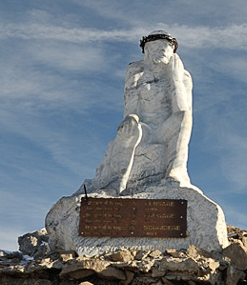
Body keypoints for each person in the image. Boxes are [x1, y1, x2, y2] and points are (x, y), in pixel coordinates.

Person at [81, 32, 193, 196]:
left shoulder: (183, 76)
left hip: (165, 129)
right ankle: (117, 181)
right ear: (147, 51)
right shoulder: (136, 71)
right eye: (156, 47)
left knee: (184, 118)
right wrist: (130, 119)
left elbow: (181, 109)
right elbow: (131, 109)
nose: (161, 51)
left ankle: (176, 170)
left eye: (166, 48)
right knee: (131, 129)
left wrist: (175, 78)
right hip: (145, 128)